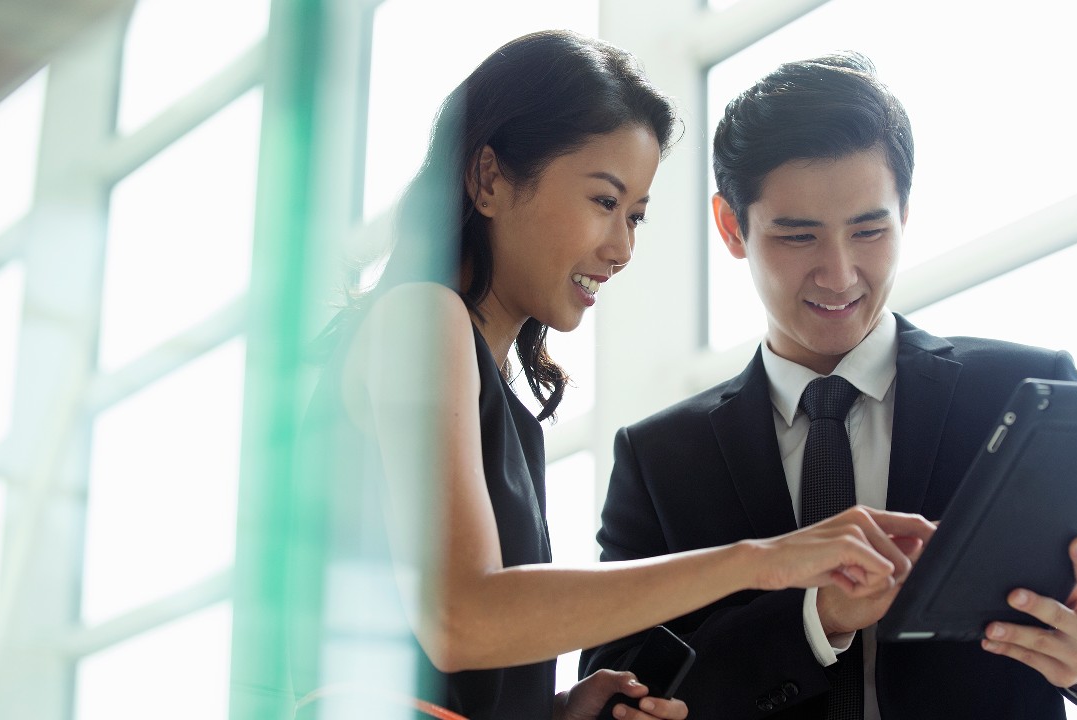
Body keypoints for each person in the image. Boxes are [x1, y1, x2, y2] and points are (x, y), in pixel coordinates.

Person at [297, 32, 937, 720]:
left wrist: (560, 709)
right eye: (604, 203)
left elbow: (443, 657)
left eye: (635, 215)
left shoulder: (491, 387)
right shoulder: (422, 319)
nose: (622, 247)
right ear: (487, 179)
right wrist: (764, 561)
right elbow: (459, 619)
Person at [582, 52, 1077, 720]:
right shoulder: (662, 462)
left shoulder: (1021, 391)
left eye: (870, 229)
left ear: (906, 210)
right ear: (733, 227)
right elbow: (621, 692)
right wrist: (813, 619)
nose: (840, 274)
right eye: (798, 236)